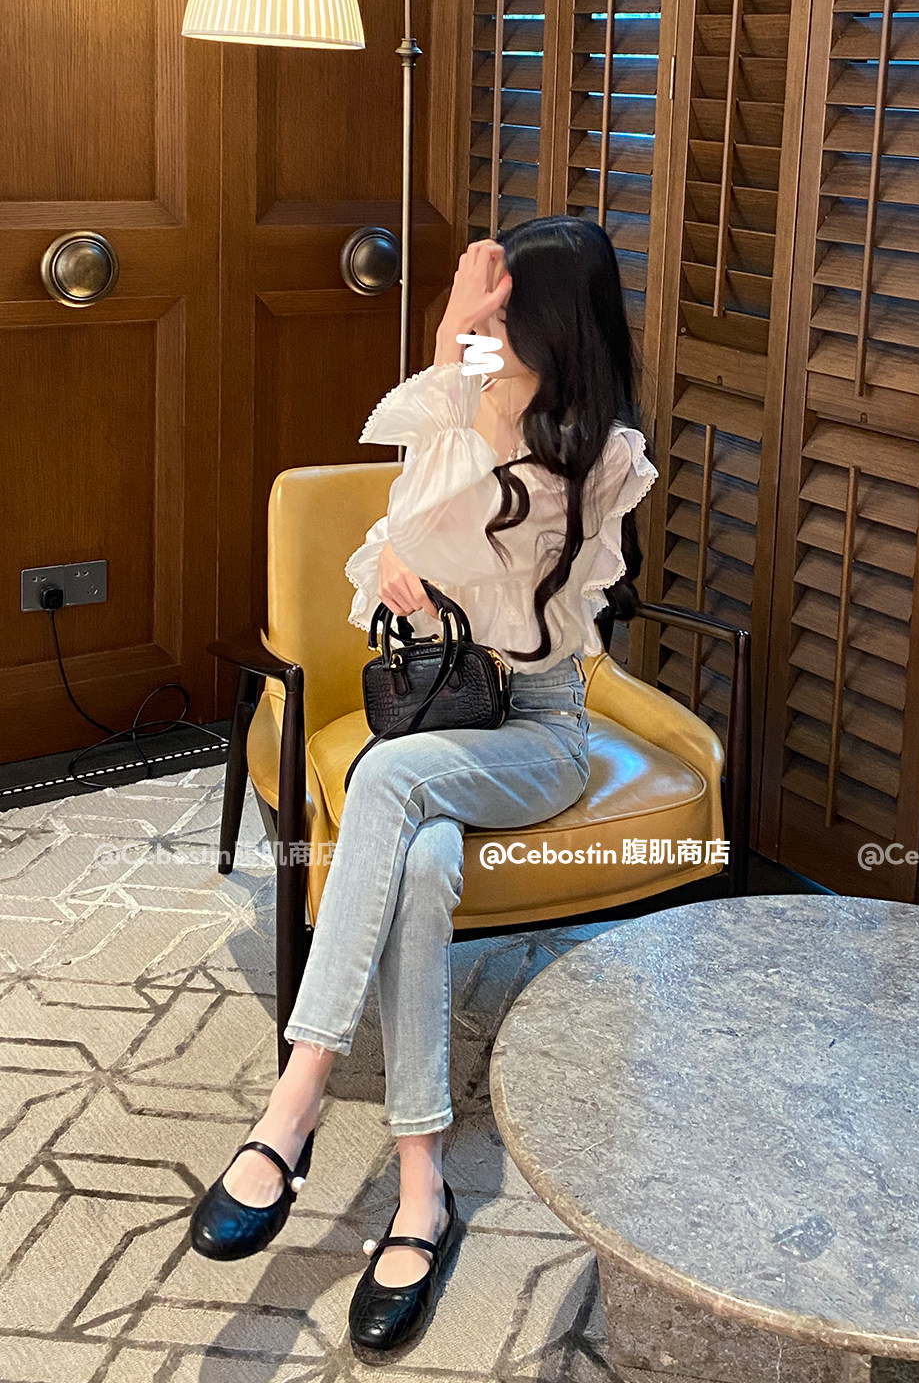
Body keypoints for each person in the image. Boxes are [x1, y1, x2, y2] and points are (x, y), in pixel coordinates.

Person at [188, 215, 658, 1362]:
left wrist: (442, 486)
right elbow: (390, 562)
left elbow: (510, 621)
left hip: (538, 732)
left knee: (389, 776)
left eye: (502, 311)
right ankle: (420, 1188)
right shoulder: (469, 395)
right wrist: (450, 356)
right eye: (481, 310)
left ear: (552, 323)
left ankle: (293, 1104)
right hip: (450, 721)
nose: (485, 329)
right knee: (424, 861)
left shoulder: (602, 456)